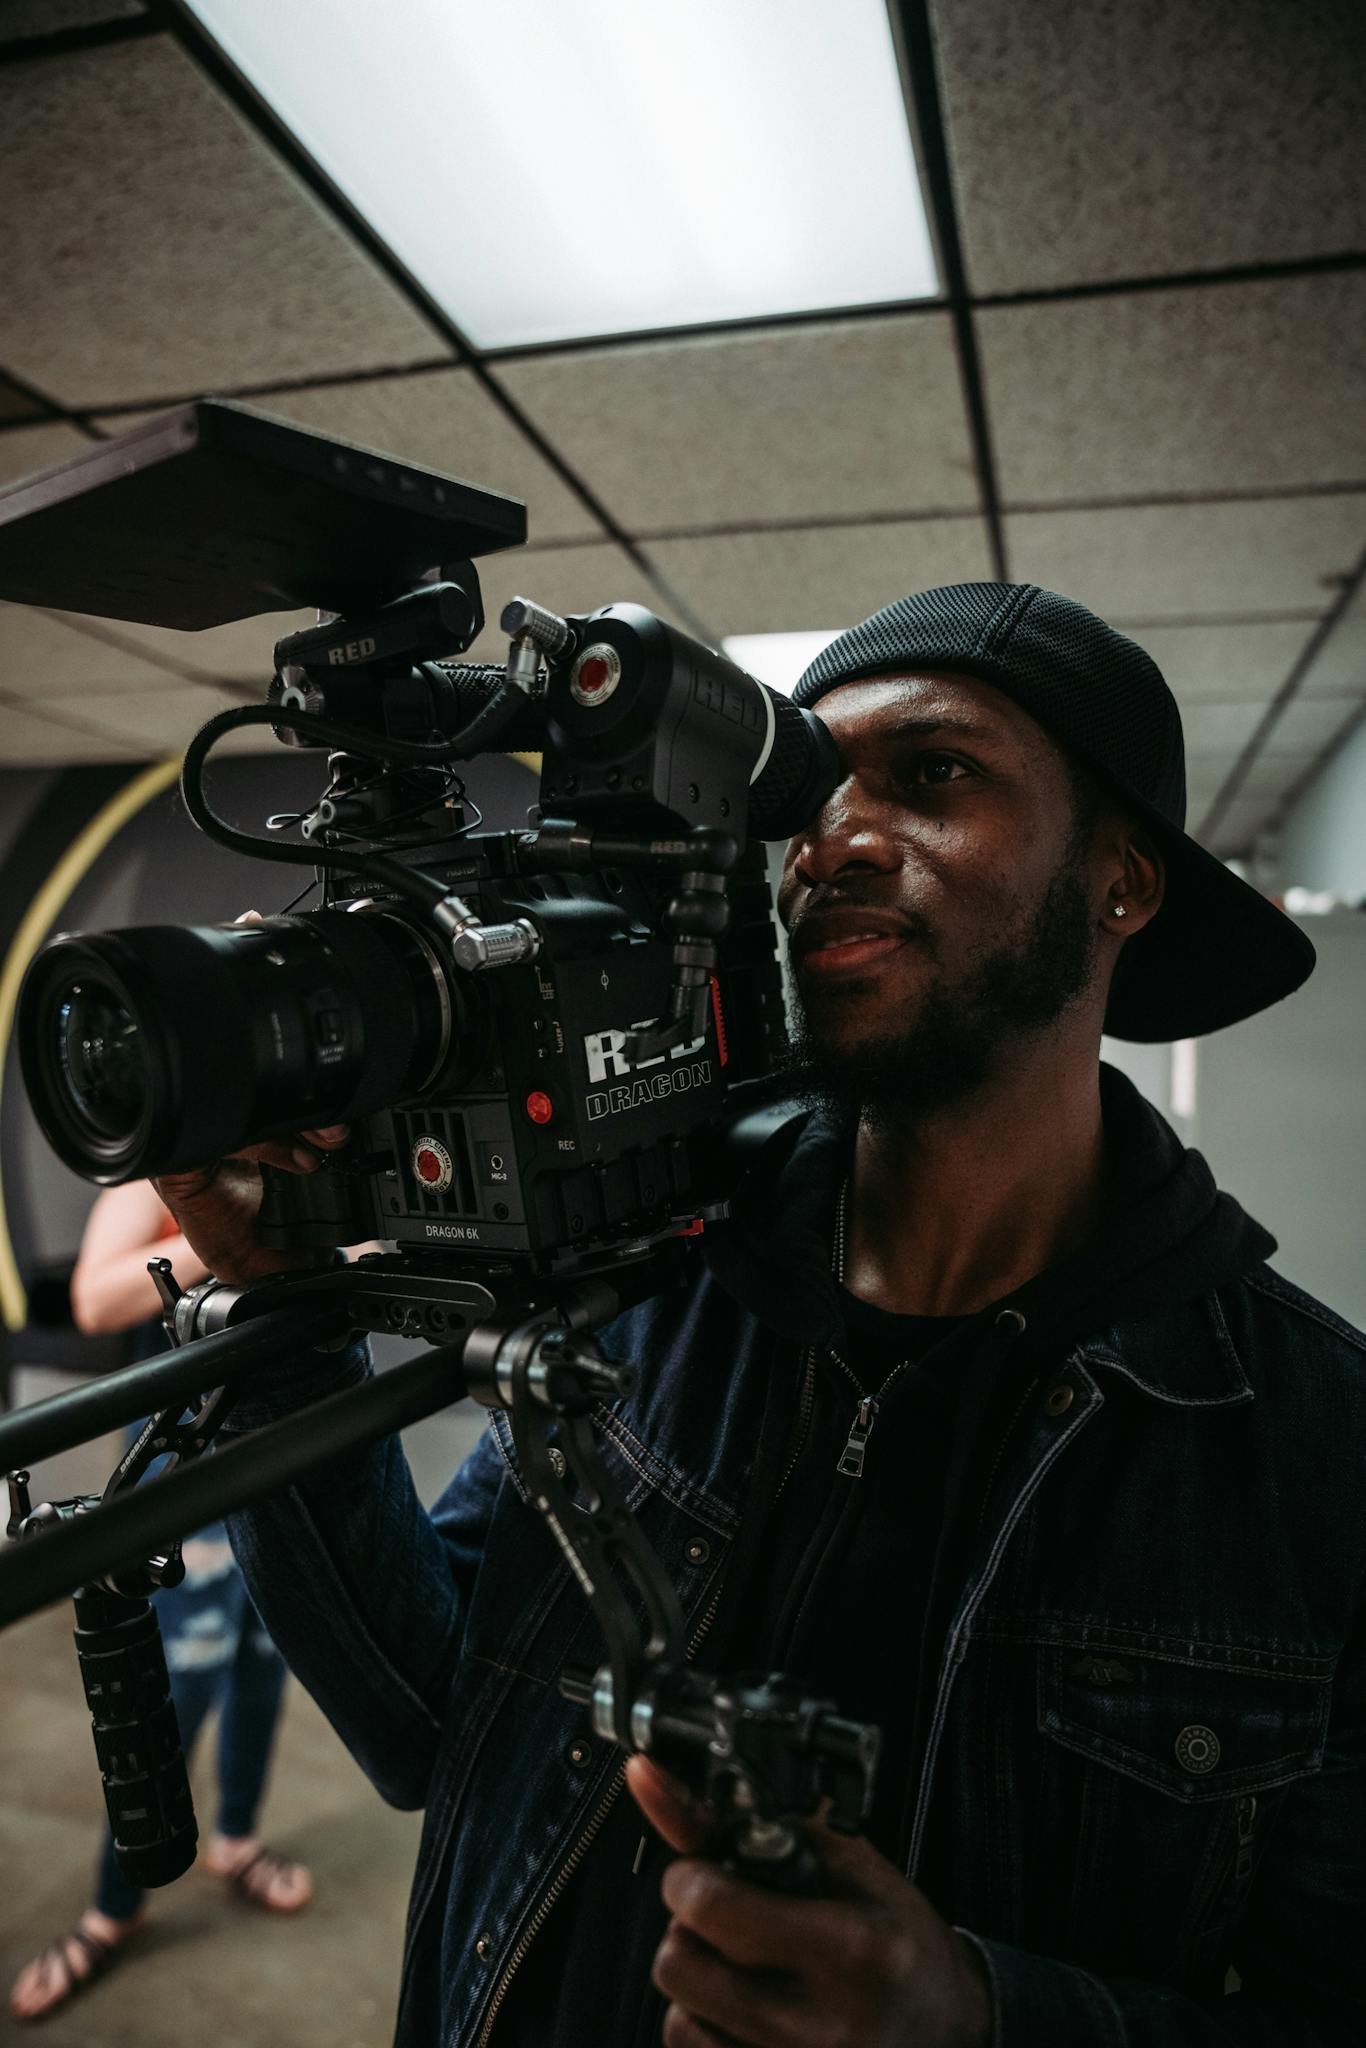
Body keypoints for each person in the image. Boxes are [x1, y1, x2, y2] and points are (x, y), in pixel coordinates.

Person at [154, 584, 1364, 2047]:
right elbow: (425, 1721)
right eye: (817, 792)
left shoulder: (1313, 1451)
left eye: (932, 778)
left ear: (1121, 881)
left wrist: (981, 2022)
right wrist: (278, 1292)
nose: (837, 841)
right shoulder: (655, 1272)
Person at [9, 1181, 312, 2024]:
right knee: (168, 1701)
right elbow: (95, 1297)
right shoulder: (164, 1170)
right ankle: (115, 1906)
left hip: (287, 1456)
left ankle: (237, 1841)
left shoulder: (297, 1146)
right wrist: (240, 1236)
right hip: (185, 1475)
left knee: (267, 1663)